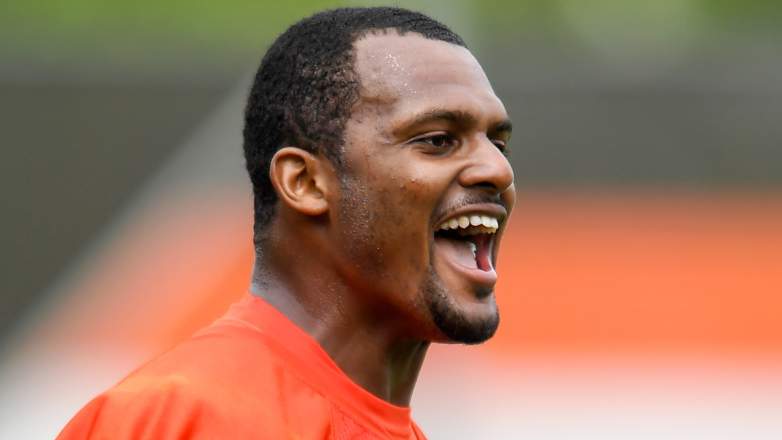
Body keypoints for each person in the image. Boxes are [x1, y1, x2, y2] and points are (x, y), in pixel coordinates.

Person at [58, 6, 514, 439]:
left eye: (498, 143)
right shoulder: (176, 419)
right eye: (437, 140)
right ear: (306, 182)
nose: (497, 170)